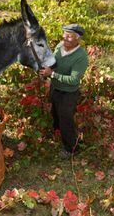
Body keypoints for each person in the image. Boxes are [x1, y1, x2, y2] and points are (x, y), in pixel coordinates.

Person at [39, 24, 89, 159]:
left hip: (68, 93)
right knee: (55, 113)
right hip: (55, 88)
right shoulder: (60, 46)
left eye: (69, 35)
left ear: (77, 39)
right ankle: (57, 133)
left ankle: (71, 148)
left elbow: (73, 80)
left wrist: (52, 75)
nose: (65, 37)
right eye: (64, 34)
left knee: (65, 120)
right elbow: (53, 62)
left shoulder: (81, 57)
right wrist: (45, 70)